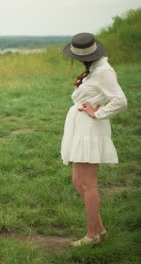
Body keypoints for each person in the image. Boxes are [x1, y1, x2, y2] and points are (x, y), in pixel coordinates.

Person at [61, 33, 127, 246]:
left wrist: (97, 113)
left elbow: (120, 101)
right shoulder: (94, 70)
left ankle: (92, 236)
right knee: (77, 182)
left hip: (90, 128)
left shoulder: (104, 72)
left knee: (88, 184)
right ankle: (100, 230)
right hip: (80, 127)